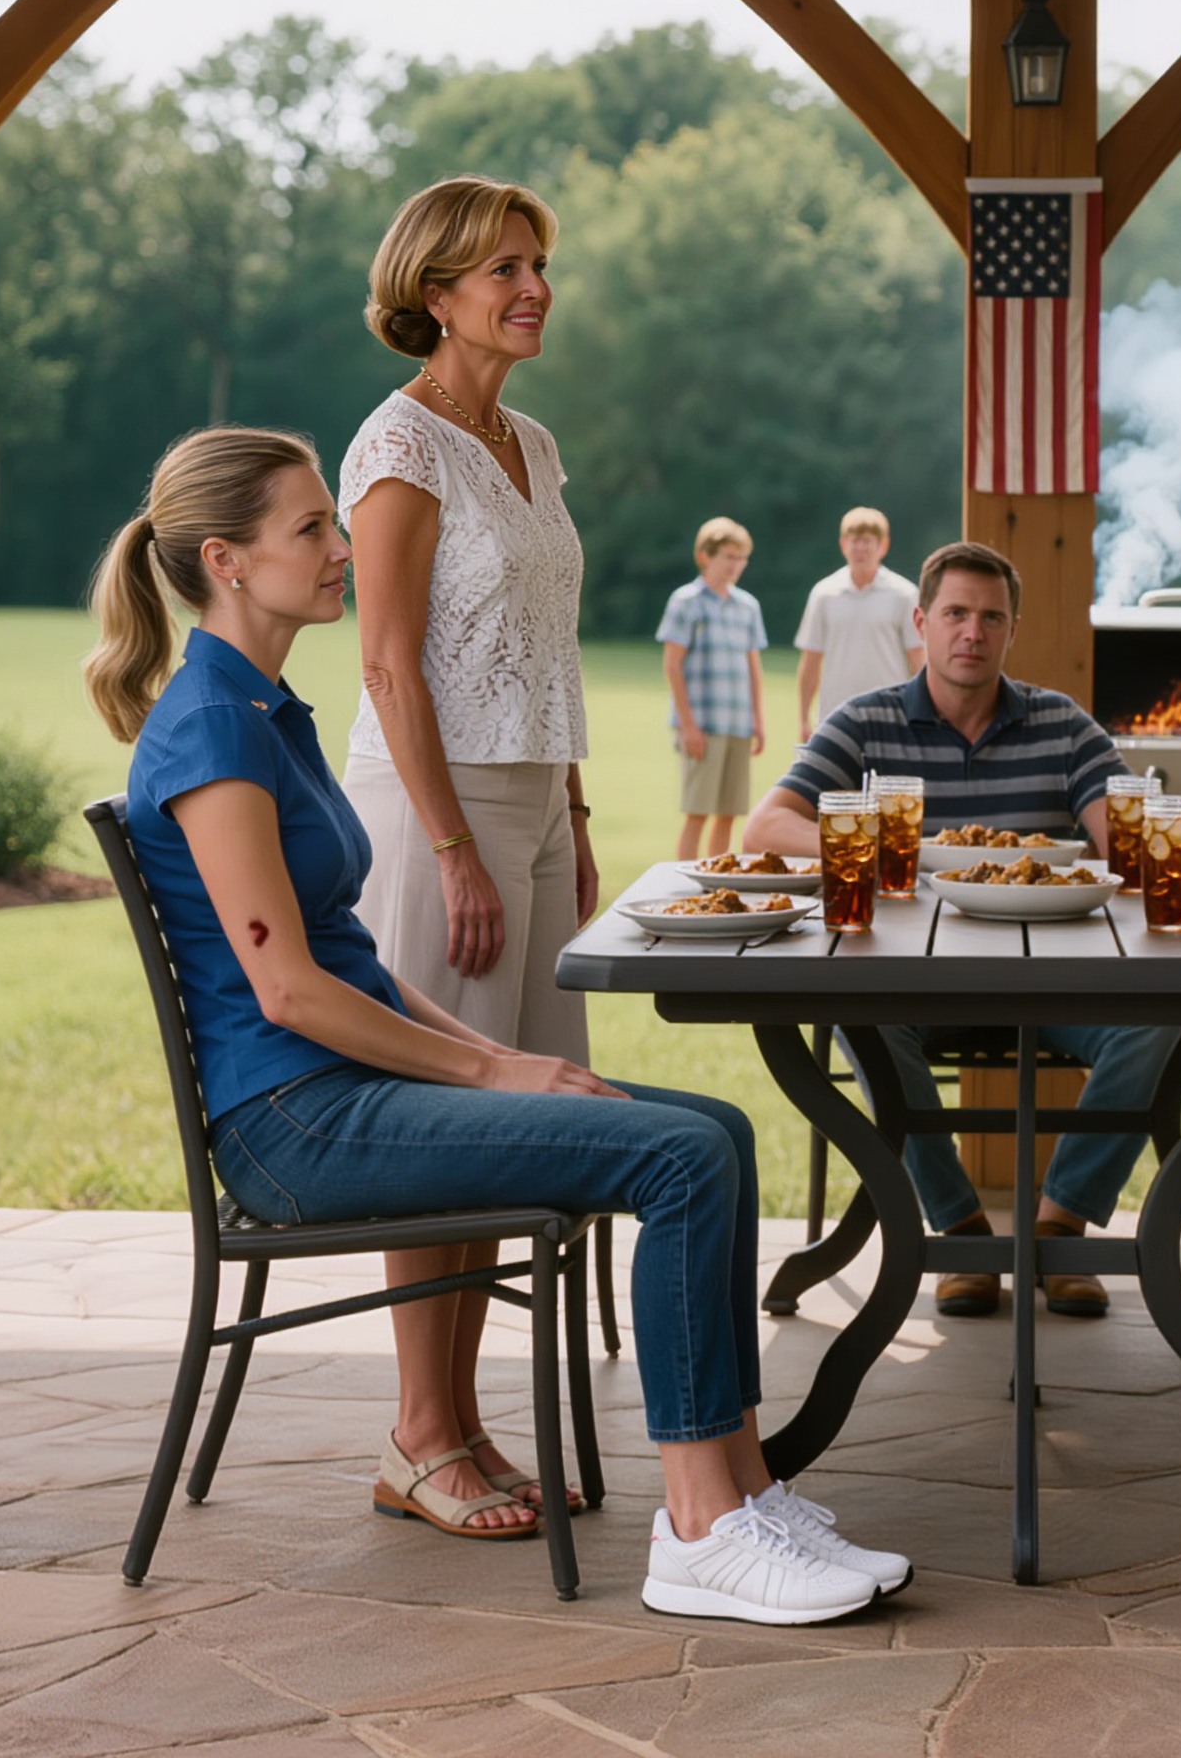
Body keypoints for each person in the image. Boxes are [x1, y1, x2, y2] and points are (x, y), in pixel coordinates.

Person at [83, 426, 910, 1622]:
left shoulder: (266, 706)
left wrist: (504, 1062)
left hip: (338, 1089)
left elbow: (350, 959)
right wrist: (486, 1065)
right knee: (674, 1157)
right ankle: (700, 1533)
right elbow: (291, 994)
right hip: (294, 1119)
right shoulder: (213, 725)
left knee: (716, 1129)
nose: (339, 547)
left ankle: (740, 1481)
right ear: (226, 559)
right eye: (312, 527)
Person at [341, 175, 597, 1534]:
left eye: (539, 262)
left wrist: (576, 822)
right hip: (433, 813)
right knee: (438, 1125)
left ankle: (465, 1424)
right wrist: (453, 850)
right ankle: (417, 1435)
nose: (534, 286)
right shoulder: (399, 447)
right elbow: (387, 664)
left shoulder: (530, 441)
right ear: (435, 293)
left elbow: (543, 649)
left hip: (536, 812)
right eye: (505, 267)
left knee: (513, 1129)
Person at [745, 541, 1181, 1319]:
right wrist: (876, 849)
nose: (971, 633)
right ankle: (960, 1229)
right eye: (955, 614)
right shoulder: (866, 721)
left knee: (1160, 1012)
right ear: (922, 622)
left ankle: (1059, 1229)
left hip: (1055, 980)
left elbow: (1123, 842)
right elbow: (766, 826)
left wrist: (1140, 831)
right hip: (914, 983)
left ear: (1011, 631)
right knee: (859, 1011)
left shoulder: (1060, 722)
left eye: (990, 617)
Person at [658, 517, 768, 864]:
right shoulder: (686, 602)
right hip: (702, 724)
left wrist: (758, 721)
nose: (735, 564)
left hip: (737, 722)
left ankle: (715, 880)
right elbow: (672, 665)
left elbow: (753, 667)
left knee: (729, 812)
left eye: (741, 557)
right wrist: (688, 725)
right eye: (728, 556)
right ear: (705, 556)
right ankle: (683, 879)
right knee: (698, 811)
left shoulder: (747, 606)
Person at [795, 506, 923, 743]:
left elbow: (918, 659)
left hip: (890, 715)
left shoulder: (904, 594)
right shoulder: (824, 594)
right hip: (835, 716)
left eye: (867, 541)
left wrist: (921, 714)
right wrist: (804, 718)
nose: (860, 548)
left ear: (883, 545)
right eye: (854, 541)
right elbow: (811, 660)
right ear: (844, 544)